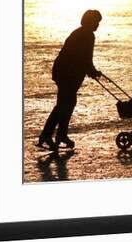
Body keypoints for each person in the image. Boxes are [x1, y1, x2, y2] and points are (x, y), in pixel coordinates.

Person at [38, 10, 103, 150]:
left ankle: (60, 134)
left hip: (66, 73)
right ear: (89, 21)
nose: (98, 25)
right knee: (64, 104)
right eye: (96, 22)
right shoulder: (86, 35)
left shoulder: (81, 33)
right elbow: (85, 58)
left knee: (67, 103)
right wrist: (92, 71)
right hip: (67, 74)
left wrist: (90, 70)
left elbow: (84, 59)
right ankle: (47, 135)